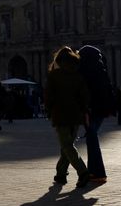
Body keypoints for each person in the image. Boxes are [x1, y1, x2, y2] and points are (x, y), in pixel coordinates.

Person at [45, 46, 90, 188]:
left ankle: (83, 172)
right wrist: (84, 112)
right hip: (76, 115)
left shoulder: (54, 75)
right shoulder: (78, 75)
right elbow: (84, 96)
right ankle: (60, 174)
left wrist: (49, 109)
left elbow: (48, 96)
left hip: (61, 114)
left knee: (67, 145)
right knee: (67, 145)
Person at [78, 45, 114, 184]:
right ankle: (93, 171)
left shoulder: (84, 71)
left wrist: (86, 109)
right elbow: (108, 91)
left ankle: (98, 172)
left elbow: (85, 93)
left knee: (92, 138)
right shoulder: (101, 70)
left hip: (90, 110)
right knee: (91, 138)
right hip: (101, 110)